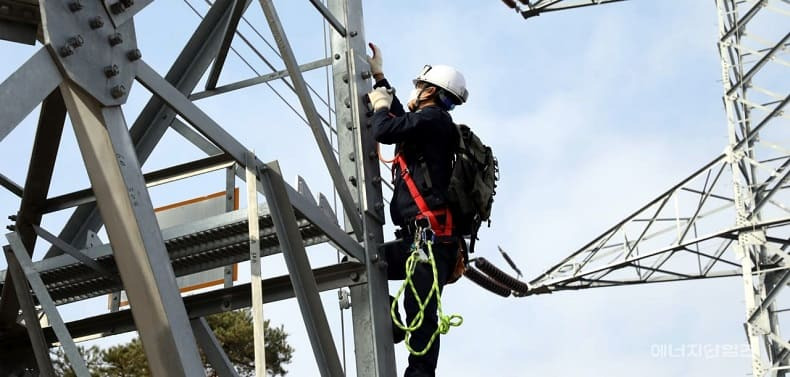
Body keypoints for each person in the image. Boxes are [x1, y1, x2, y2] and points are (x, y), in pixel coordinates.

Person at [366, 43, 469, 377]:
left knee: (420, 316)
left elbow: (385, 128)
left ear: (427, 92)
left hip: (431, 241)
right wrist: (380, 79)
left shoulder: (434, 119)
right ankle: (393, 327)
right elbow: (401, 120)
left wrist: (381, 106)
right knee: (373, 263)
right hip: (424, 240)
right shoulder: (431, 122)